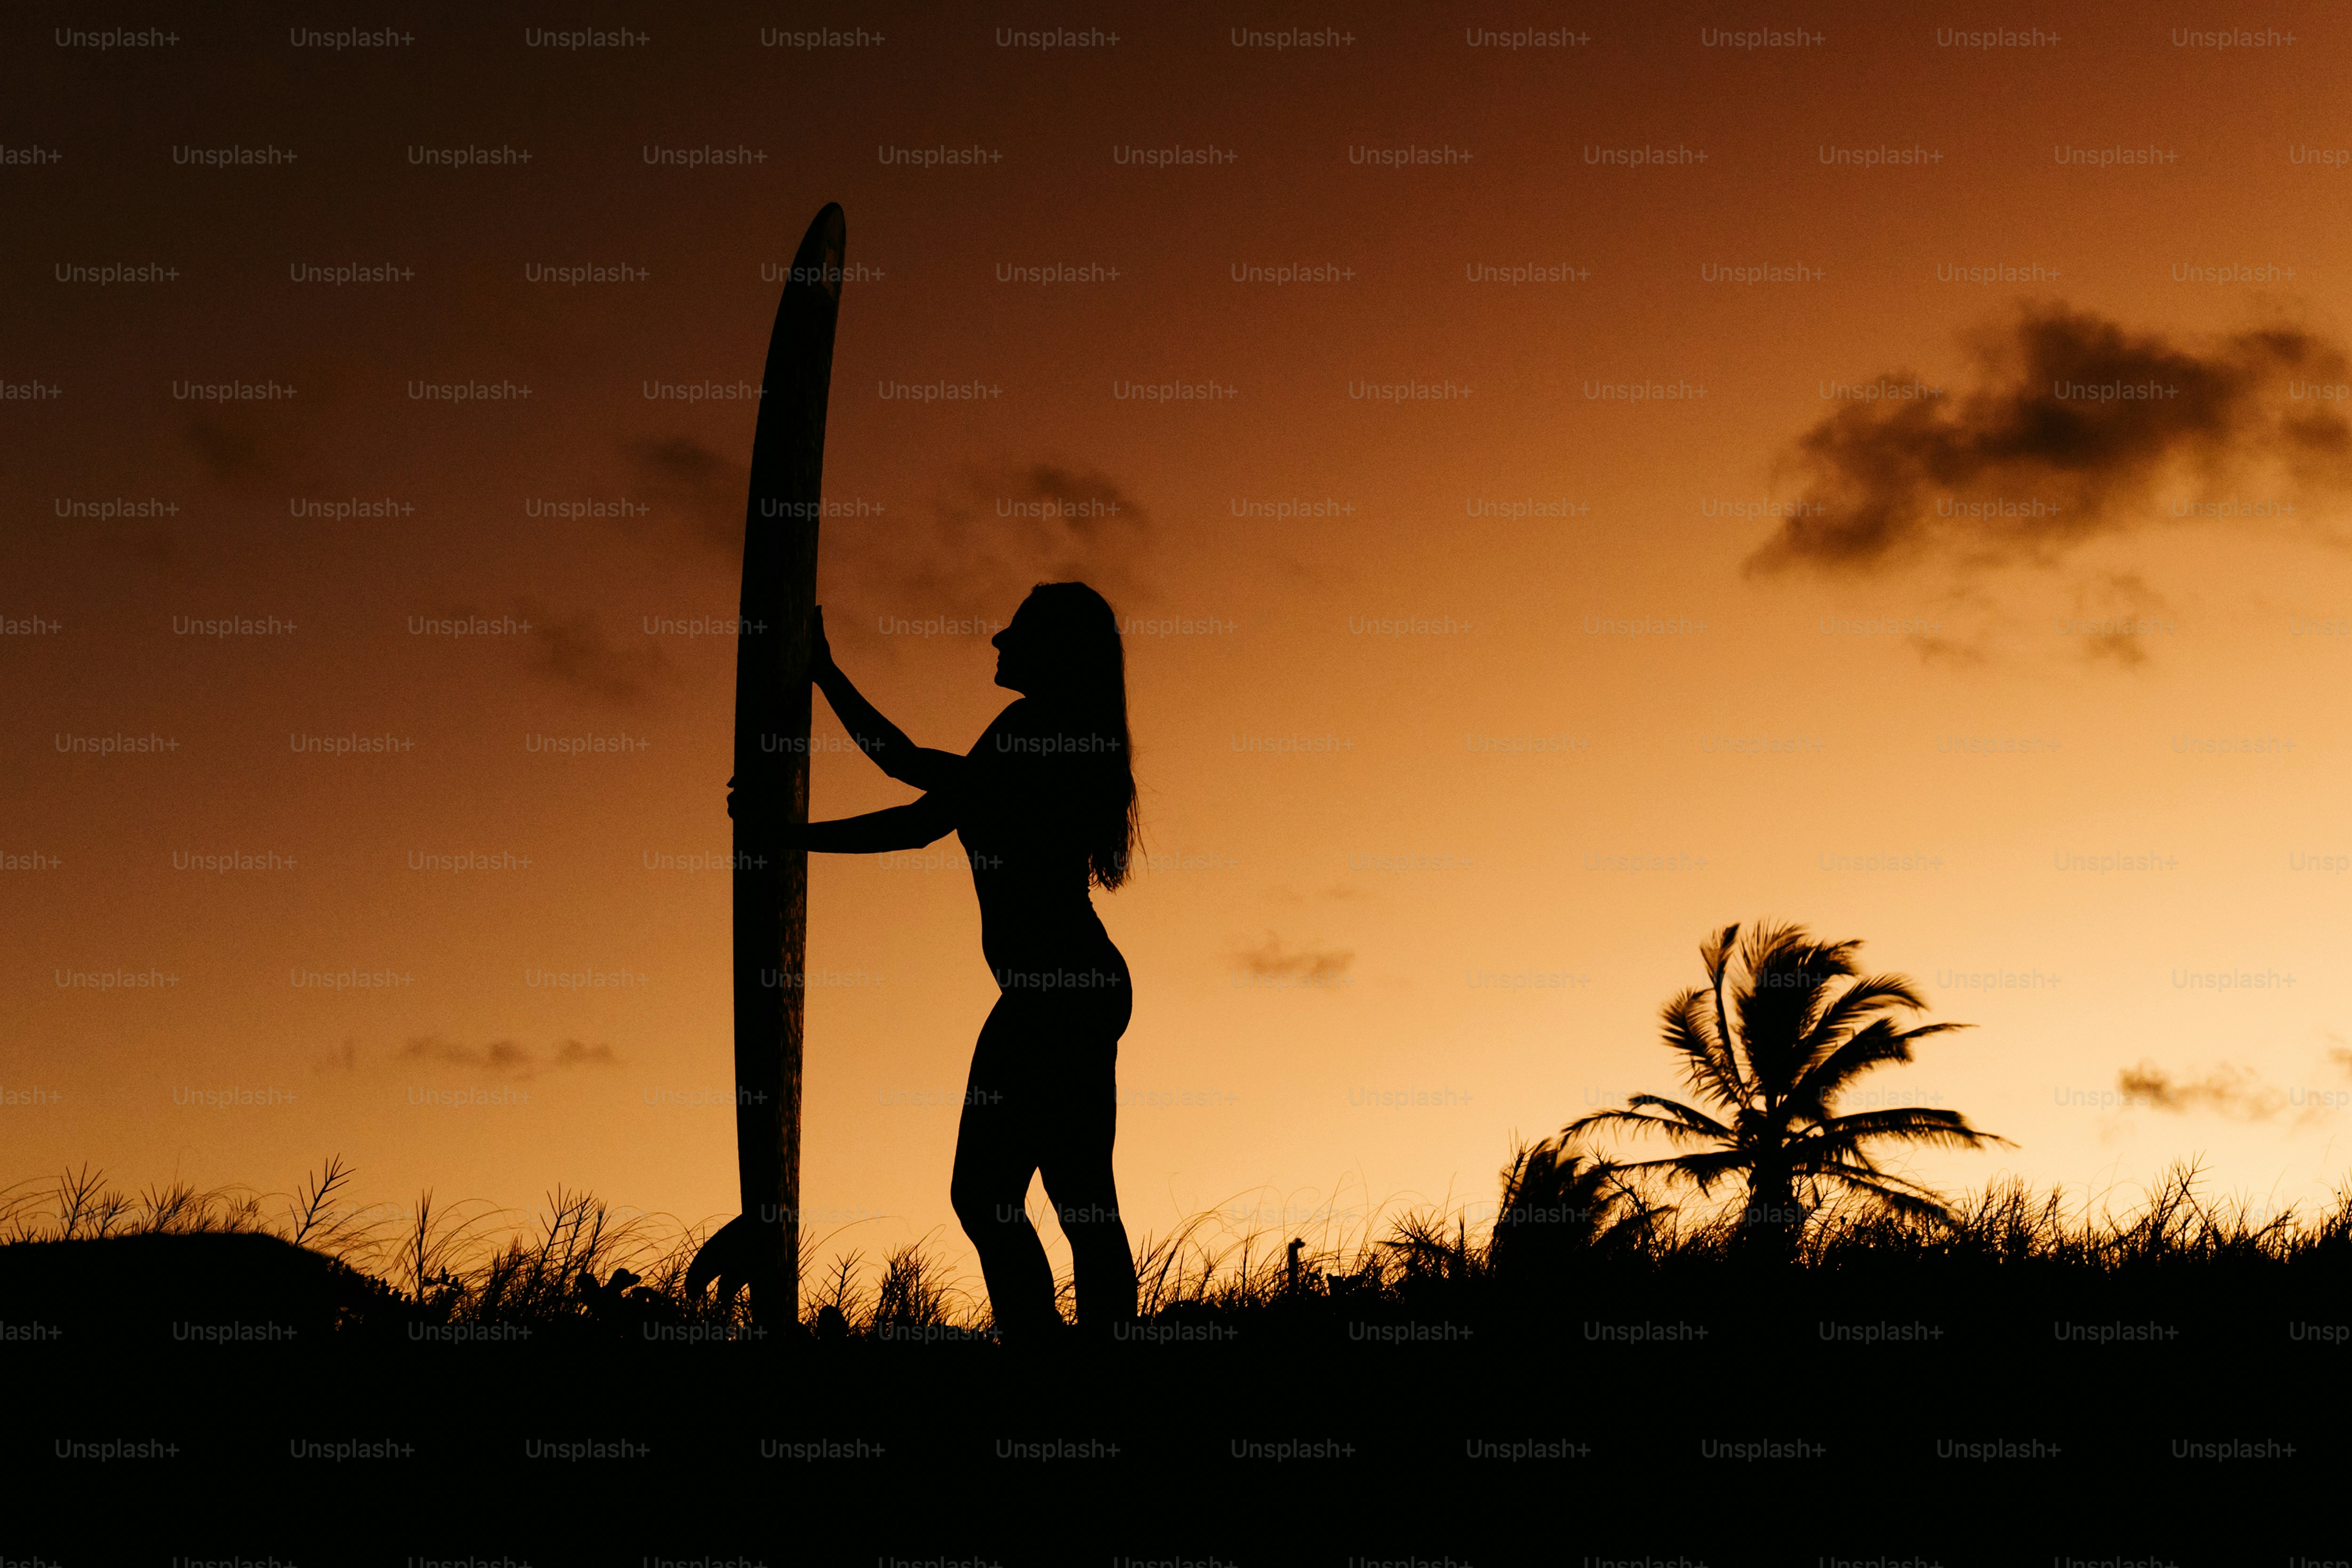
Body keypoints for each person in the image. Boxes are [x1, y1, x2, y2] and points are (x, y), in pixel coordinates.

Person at [798, 582, 1141, 1341]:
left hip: (1058, 990)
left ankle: (1046, 1346)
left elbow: (916, 802)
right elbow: (918, 782)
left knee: (1005, 1195)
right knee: (1068, 1196)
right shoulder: (1042, 735)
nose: (998, 640)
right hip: (1069, 986)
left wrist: (787, 836)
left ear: (1051, 650)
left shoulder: (1036, 733)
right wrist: (824, 679)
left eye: (1015, 629)